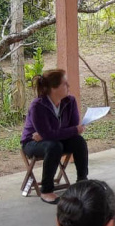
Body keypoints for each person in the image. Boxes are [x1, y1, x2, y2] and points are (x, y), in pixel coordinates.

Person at [21, 69, 89, 204]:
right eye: (65, 84)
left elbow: (73, 129)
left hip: (55, 140)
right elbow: (54, 133)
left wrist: (49, 134)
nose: (68, 86)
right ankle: (46, 191)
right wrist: (49, 134)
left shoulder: (70, 101)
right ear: (53, 88)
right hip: (31, 143)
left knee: (78, 141)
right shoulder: (38, 105)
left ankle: (82, 181)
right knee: (53, 146)